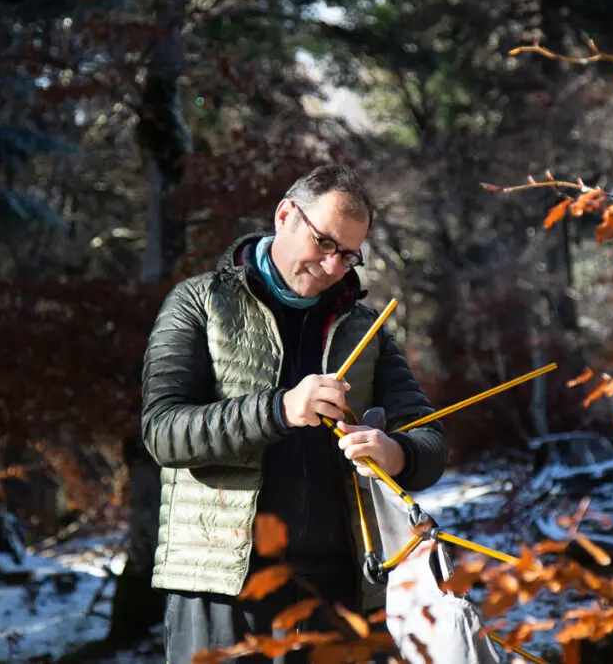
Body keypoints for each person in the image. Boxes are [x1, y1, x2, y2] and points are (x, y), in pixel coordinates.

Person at [140, 164, 448, 664]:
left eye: (349, 255)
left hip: (341, 587)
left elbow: (430, 442)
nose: (334, 267)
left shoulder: (364, 327)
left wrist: (397, 452)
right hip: (221, 588)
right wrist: (278, 409)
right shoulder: (199, 303)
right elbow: (163, 433)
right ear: (285, 215)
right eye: (325, 243)